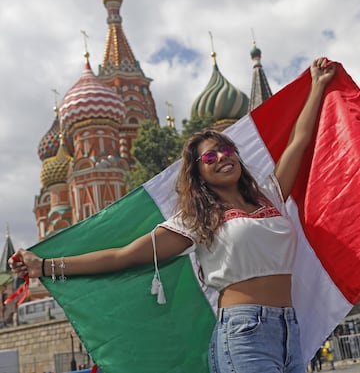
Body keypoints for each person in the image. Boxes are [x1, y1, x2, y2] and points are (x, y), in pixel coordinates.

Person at [10, 57, 336, 373]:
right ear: (198, 173)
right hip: (244, 331)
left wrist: (317, 86)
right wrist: (45, 267)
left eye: (227, 151)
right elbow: (124, 256)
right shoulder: (200, 218)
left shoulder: (271, 196)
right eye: (211, 157)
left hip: (289, 328)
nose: (223, 158)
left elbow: (300, 141)